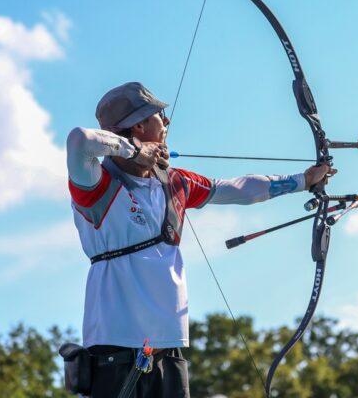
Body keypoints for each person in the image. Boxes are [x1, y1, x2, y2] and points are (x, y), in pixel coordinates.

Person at [64, 81, 334, 397]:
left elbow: (236, 189)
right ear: (138, 124)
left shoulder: (175, 182)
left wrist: (303, 180)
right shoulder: (97, 183)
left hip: (168, 346)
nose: (166, 122)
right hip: (114, 342)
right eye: (158, 116)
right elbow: (79, 139)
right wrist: (136, 151)